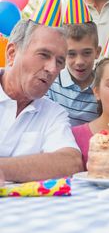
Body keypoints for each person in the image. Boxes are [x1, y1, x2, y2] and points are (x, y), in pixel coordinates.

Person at [0, 20, 83, 182]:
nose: (52, 69)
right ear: (12, 53)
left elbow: (71, 162)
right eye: (43, 55)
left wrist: (3, 169)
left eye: (60, 62)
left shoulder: (53, 112)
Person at [47, 22, 101, 126]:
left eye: (87, 53)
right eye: (71, 54)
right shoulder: (51, 84)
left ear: (97, 52)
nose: (79, 62)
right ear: (62, 53)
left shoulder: (103, 88)